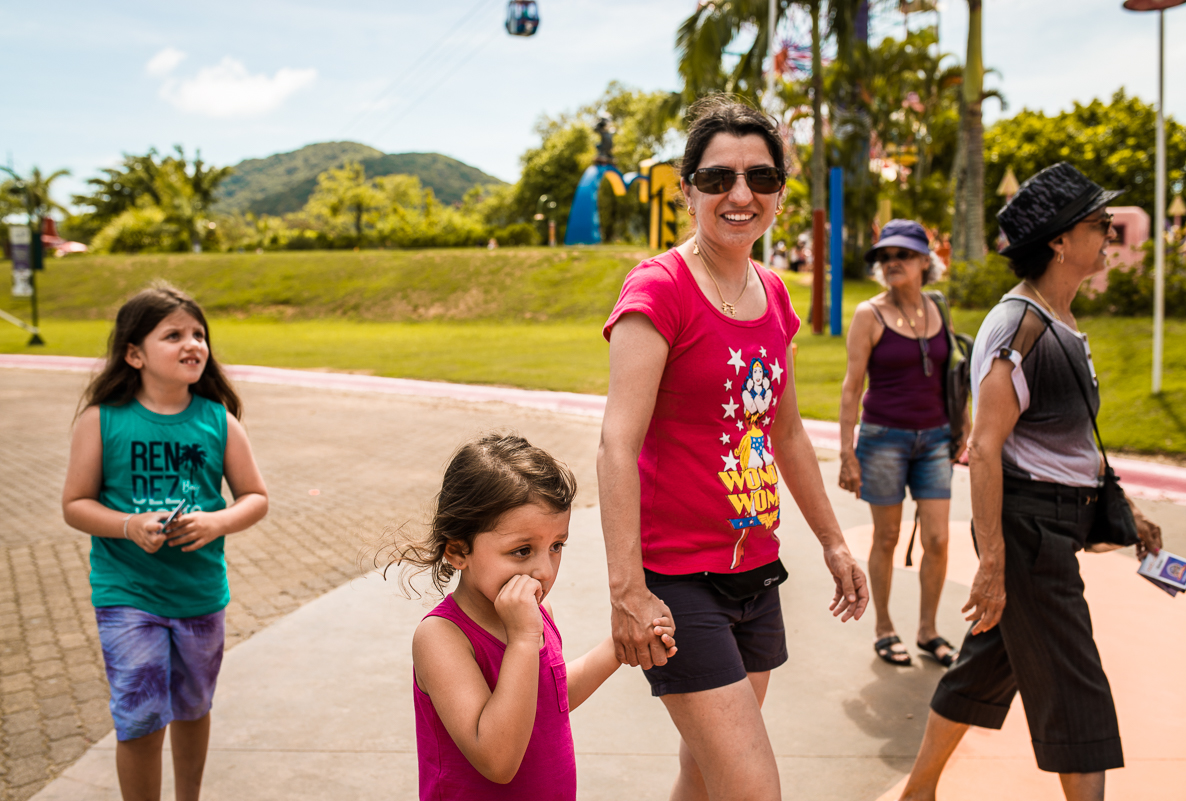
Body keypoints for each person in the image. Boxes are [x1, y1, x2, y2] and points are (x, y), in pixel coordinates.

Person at [598, 96, 868, 801]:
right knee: (754, 788)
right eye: (718, 178)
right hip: (677, 581)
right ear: (688, 188)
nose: (740, 194)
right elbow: (616, 444)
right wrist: (627, 590)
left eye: (760, 178)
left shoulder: (775, 293)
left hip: (754, 573)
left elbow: (785, 432)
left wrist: (834, 542)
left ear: (780, 189)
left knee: (704, 771)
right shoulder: (658, 290)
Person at [899, 163, 1163, 801]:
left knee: (985, 668)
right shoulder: (1022, 328)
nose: (1109, 235)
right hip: (1030, 533)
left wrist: (1124, 507)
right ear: (1059, 241)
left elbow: (1068, 440)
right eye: (1098, 224)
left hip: (1047, 526)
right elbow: (984, 449)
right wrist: (993, 560)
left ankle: (918, 794)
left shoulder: (1060, 322)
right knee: (1078, 690)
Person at [61, 285, 269, 801]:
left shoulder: (218, 420)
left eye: (198, 334)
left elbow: (255, 497)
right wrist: (129, 526)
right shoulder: (101, 420)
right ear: (134, 354)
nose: (192, 344)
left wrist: (217, 523)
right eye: (173, 335)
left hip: (199, 594)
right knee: (140, 715)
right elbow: (75, 504)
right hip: (127, 593)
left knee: (194, 707)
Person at [390, 433, 676, 801]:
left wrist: (618, 649)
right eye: (522, 550)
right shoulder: (443, 637)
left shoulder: (538, 615)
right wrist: (524, 639)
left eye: (556, 546)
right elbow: (497, 759)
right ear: (459, 551)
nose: (543, 569)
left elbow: (547, 701)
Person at [837, 219, 964, 668]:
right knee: (887, 537)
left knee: (938, 538)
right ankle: (884, 627)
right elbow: (852, 387)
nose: (892, 263)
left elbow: (953, 374)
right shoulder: (869, 315)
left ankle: (928, 631)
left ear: (925, 262)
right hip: (883, 439)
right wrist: (846, 452)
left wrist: (960, 424)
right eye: (885, 257)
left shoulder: (938, 308)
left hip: (935, 440)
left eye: (903, 255)